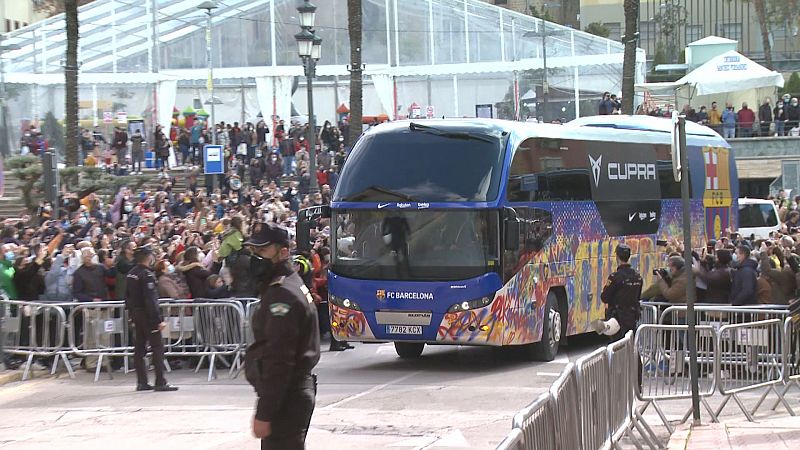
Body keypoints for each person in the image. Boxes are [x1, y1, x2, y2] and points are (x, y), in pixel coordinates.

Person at [244, 223, 320, 449]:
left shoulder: (282, 294)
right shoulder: (288, 284)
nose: (256, 257)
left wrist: (265, 412)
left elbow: (279, 358)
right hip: (291, 393)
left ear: (283, 252)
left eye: (262, 251)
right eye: (254, 252)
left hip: (286, 396)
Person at [125, 246, 178, 392]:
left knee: (139, 348)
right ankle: (160, 381)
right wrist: (157, 319)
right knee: (157, 347)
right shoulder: (146, 275)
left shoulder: (131, 274)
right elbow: (151, 299)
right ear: (148, 257)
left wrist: (130, 315)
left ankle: (142, 382)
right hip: (147, 315)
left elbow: (127, 297)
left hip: (136, 314)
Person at [592, 244, 643, 341]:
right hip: (632, 317)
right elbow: (638, 296)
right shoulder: (638, 276)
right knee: (630, 345)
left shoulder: (615, 277)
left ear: (617, 257)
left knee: (597, 327)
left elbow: (604, 297)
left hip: (617, 319)